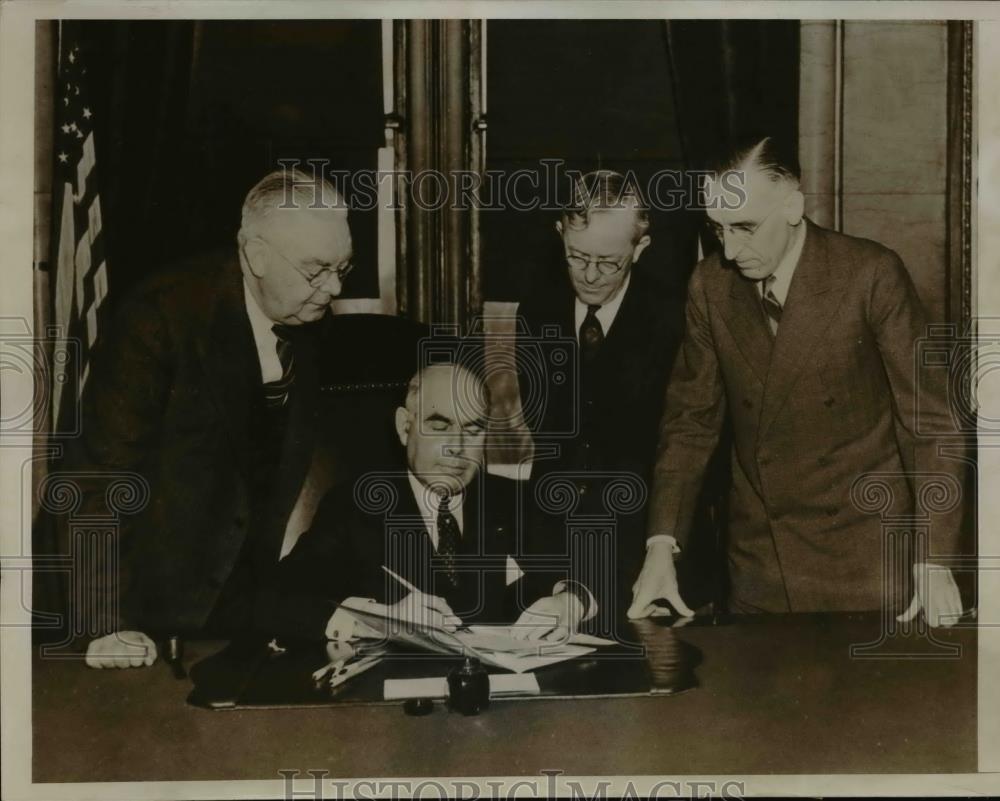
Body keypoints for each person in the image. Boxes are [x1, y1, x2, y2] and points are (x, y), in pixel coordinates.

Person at [629, 136, 966, 625]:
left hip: (867, 563)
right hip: (760, 565)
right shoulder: (710, 285)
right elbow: (690, 423)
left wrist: (933, 558)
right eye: (717, 229)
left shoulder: (870, 275)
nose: (731, 250)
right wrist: (661, 545)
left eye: (744, 227)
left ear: (792, 206)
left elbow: (930, 424)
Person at [67, 167, 353, 668]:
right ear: (257, 255)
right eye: (316, 270)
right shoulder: (158, 317)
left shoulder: (310, 323)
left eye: (343, 268)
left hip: (238, 611)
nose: (332, 288)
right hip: (143, 617)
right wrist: (105, 624)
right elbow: (100, 481)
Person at [266, 361, 597, 643]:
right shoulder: (355, 505)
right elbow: (276, 598)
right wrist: (376, 620)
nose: (458, 447)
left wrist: (573, 600)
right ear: (404, 427)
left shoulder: (514, 500)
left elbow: (596, 569)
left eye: (473, 430)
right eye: (440, 426)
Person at [515, 170, 687, 624]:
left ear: (640, 247)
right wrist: (558, 577)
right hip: (554, 546)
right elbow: (548, 442)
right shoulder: (537, 309)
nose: (590, 275)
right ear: (560, 233)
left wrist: (596, 584)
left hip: (643, 551)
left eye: (609, 262)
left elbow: (672, 455)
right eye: (577, 256)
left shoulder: (675, 319)